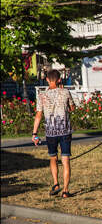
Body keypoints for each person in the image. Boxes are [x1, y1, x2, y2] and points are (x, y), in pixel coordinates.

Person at [32, 69, 76, 198]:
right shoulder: (65, 92)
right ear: (59, 80)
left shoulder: (42, 95)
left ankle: (56, 183)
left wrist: (34, 133)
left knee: (53, 158)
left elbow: (38, 115)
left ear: (47, 80)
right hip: (65, 131)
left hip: (50, 132)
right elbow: (72, 108)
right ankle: (65, 191)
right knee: (66, 159)